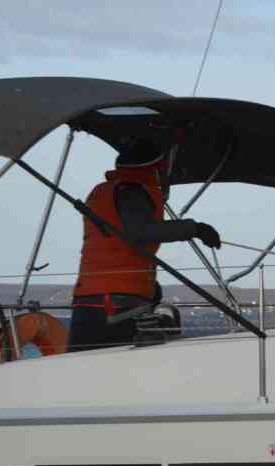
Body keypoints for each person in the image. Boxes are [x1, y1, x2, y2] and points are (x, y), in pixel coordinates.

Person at [69, 137, 222, 353]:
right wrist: (195, 229)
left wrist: (148, 287)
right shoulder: (132, 192)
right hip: (116, 304)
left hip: (90, 298)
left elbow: (116, 244)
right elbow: (140, 232)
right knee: (117, 367)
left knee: (81, 364)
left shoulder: (105, 191)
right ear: (155, 168)